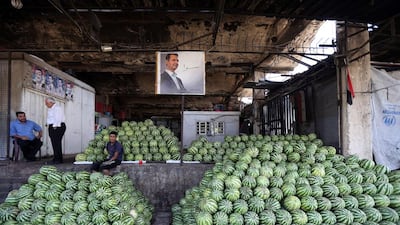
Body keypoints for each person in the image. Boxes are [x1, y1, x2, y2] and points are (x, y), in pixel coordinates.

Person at [45, 97, 66, 164]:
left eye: (47, 103)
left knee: (56, 143)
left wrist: (54, 127)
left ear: (51, 102)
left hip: (57, 127)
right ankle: (56, 158)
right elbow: (52, 118)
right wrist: (48, 123)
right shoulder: (51, 109)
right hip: (53, 126)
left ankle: (58, 159)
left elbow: (58, 118)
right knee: (54, 143)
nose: (46, 104)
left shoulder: (57, 108)